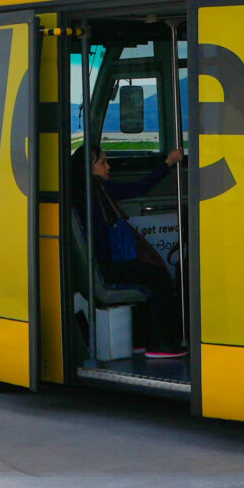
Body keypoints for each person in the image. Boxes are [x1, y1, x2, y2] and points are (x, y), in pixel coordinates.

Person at [78, 137, 185, 358]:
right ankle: (159, 343)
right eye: (102, 163)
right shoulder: (98, 190)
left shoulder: (81, 193)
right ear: (89, 168)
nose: (108, 167)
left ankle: (140, 340)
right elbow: (139, 188)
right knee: (159, 277)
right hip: (107, 266)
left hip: (100, 264)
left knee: (145, 273)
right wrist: (168, 162)